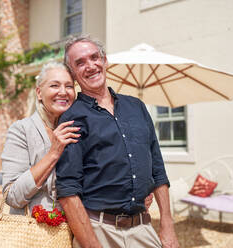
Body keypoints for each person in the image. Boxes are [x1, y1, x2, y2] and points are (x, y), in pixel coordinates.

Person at [56, 35, 180, 248]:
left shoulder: (137, 107)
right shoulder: (72, 118)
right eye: (80, 63)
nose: (90, 66)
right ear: (73, 74)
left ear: (105, 61)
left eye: (94, 57)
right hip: (98, 230)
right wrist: (92, 244)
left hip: (143, 228)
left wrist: (167, 225)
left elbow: (158, 170)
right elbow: (68, 190)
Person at [1, 62, 80, 214]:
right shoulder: (21, 130)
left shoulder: (78, 130)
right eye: (54, 86)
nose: (63, 92)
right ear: (39, 93)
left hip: (72, 231)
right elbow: (12, 196)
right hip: (32, 232)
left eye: (69, 86)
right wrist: (54, 153)